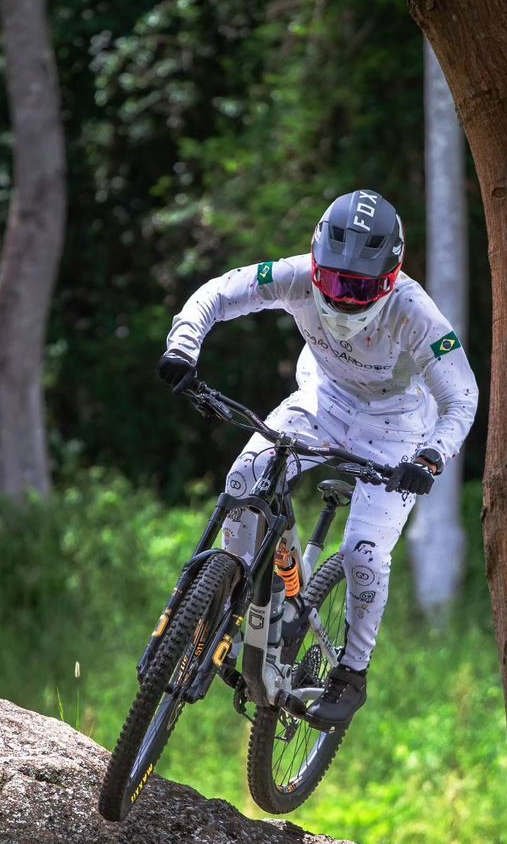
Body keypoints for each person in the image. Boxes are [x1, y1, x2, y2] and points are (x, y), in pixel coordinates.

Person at [156, 189, 478, 731]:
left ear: (392, 277)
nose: (346, 299)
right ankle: (225, 591)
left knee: (363, 553)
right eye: (334, 281)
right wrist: (183, 347)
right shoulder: (296, 274)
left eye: (361, 287)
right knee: (245, 479)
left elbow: (461, 396)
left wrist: (430, 458)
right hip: (322, 400)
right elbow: (218, 293)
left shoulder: (414, 312)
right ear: (315, 260)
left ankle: (351, 672)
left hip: (397, 427)